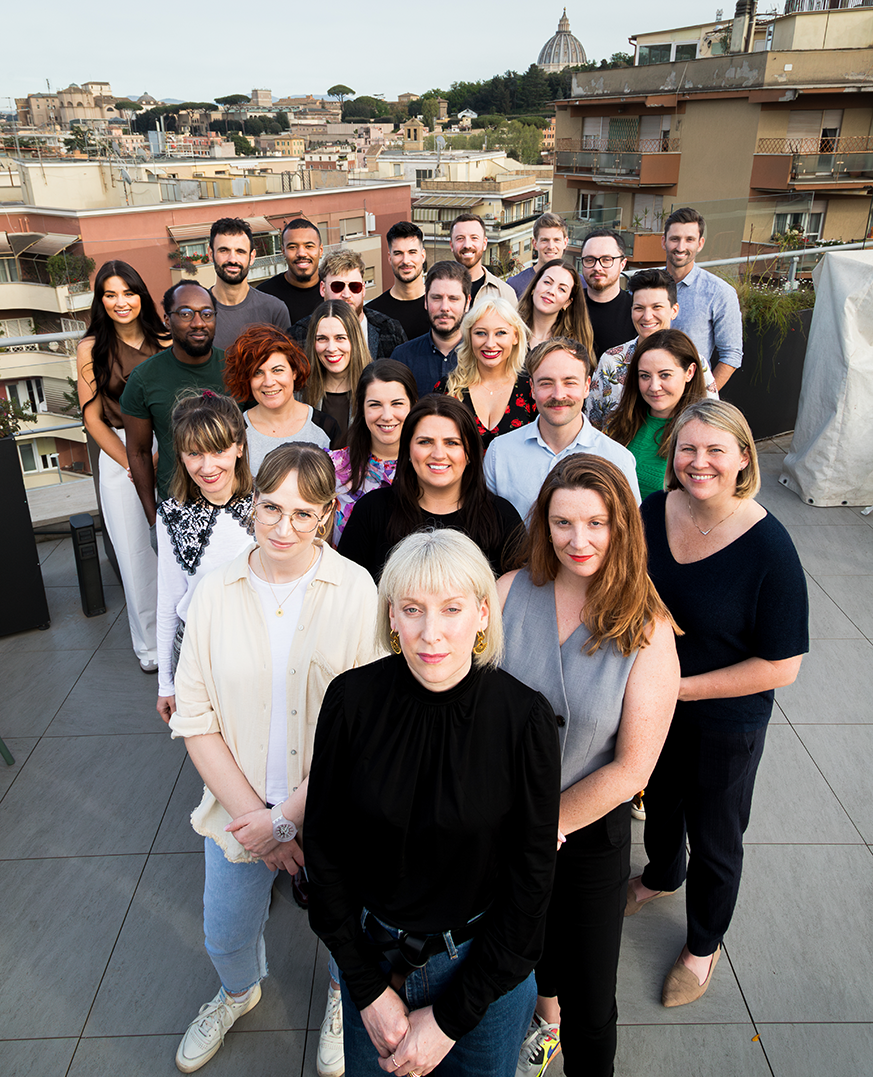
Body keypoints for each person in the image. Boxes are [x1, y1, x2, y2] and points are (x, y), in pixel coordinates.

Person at [306, 528, 562, 1077]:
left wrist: (449, 1019)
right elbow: (325, 853)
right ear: (392, 617)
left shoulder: (524, 720)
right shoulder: (350, 702)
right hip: (373, 962)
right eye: (413, 609)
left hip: (484, 971)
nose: (431, 633)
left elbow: (531, 886)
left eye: (451, 609)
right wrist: (367, 988)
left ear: (482, 616)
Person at [169, 443, 380, 1074]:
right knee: (225, 932)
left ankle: (347, 998)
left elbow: (364, 726)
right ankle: (238, 992)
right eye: (269, 508)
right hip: (237, 815)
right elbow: (196, 717)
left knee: (350, 931)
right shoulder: (214, 589)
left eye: (302, 513)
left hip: (335, 809)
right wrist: (259, 824)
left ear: (327, 516)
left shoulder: (356, 589)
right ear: (251, 501)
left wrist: (287, 817)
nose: (282, 528)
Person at [497, 454, 679, 1077]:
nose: (579, 541)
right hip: (500, 821)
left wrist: (542, 828)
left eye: (597, 523)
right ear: (543, 525)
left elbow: (631, 769)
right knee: (524, 953)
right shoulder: (506, 592)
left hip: (587, 834)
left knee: (593, 996)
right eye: (563, 523)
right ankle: (543, 1021)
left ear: (621, 525)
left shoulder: (647, 629)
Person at [628, 401, 808, 1008]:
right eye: (687, 449)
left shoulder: (770, 548)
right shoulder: (654, 510)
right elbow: (633, 586)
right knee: (659, 800)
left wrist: (679, 688)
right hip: (656, 701)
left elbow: (782, 665)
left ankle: (702, 945)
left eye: (714, 451)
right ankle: (661, 875)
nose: (698, 462)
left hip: (723, 717)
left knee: (715, 832)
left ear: (742, 460)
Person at [76, 259, 170, 672]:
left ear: (141, 295)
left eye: (128, 292)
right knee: (134, 555)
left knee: (173, 548)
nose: (120, 302)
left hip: (169, 451)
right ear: (100, 300)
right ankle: (150, 647)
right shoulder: (89, 348)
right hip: (119, 458)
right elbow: (92, 418)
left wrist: (154, 454)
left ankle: (184, 634)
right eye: (109, 294)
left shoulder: (166, 339)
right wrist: (131, 462)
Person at [338, 395, 524, 581]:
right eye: (425, 442)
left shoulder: (501, 517)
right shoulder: (371, 510)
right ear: (408, 450)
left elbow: (521, 597)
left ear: (469, 454)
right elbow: (347, 592)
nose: (438, 454)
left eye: (452, 443)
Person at [155, 391, 254, 725]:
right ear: (181, 456)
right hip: (197, 652)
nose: (207, 466)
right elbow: (169, 602)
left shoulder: (270, 505)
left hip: (261, 649)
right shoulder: (171, 515)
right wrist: (164, 683)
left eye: (218, 450)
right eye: (194, 453)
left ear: (240, 447)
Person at [484, 338, 641, 522]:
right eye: (546, 383)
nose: (558, 395)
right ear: (533, 389)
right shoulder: (500, 453)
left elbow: (630, 536)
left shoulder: (617, 460)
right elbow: (488, 530)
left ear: (586, 386)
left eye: (569, 382)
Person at [120, 281, 227, 533]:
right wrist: (153, 520)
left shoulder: (236, 368)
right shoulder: (144, 379)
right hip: (177, 506)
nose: (198, 323)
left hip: (236, 505)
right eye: (186, 313)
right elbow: (138, 453)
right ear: (167, 320)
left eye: (207, 313)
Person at [587, 268, 718, 431]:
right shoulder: (611, 361)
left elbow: (712, 424)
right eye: (639, 308)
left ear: (674, 310)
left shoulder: (694, 362)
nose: (647, 316)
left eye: (657, 307)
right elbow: (592, 425)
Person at [223, 323, 339, 472]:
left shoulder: (326, 427)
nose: (269, 382)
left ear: (294, 372)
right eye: (257, 373)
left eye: (277, 370)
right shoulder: (235, 431)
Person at [606, 329, 707, 500]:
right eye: (645, 376)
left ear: (689, 372)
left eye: (665, 375)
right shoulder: (621, 421)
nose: (654, 386)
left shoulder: (704, 432)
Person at [329, 359, 418, 543]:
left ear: (413, 405)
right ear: (361, 408)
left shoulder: (431, 466)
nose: (386, 416)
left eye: (397, 404)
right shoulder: (334, 468)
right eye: (375, 404)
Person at [435, 297, 535, 452]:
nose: (490, 343)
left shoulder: (532, 389)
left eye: (500, 333)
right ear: (469, 337)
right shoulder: (447, 388)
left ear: (515, 337)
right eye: (480, 333)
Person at [661, 207, 743, 390]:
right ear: (664, 241)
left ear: (700, 243)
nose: (681, 247)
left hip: (690, 395)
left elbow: (732, 354)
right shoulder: (649, 285)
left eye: (689, 239)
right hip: (646, 391)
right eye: (675, 239)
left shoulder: (720, 292)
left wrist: (704, 396)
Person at [291, 249, 406, 360]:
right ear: (322, 289)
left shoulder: (390, 330)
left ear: (363, 289)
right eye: (337, 286)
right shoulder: (299, 335)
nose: (346, 294)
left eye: (354, 287)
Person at [208, 217, 291, 351]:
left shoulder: (274, 310)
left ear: (252, 257)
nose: (232, 259)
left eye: (240, 251)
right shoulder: (197, 312)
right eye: (224, 250)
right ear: (211, 254)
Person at [391, 262, 471, 397]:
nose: (444, 307)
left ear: (467, 303)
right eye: (436, 298)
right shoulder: (402, 358)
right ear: (426, 302)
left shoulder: (480, 356)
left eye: (453, 299)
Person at [301, 300, 372, 449]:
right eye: (322, 339)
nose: (331, 348)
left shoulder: (375, 387)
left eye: (340, 338)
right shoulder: (300, 392)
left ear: (354, 340)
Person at [365, 222, 430, 340]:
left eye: (412, 252)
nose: (405, 260)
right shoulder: (373, 313)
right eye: (398, 253)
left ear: (423, 256)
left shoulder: (440, 308)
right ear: (389, 258)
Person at [517, 259, 594, 356]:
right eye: (547, 282)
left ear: (567, 303)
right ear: (534, 286)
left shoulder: (572, 348)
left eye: (562, 289)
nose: (551, 291)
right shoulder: (510, 330)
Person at [257, 218, 325, 323]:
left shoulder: (336, 290)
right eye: (292, 247)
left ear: (320, 250)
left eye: (309, 246)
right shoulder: (264, 296)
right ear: (283, 251)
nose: (301, 253)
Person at [579, 229, 634, 356]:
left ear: (622, 264)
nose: (597, 267)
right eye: (589, 260)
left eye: (606, 260)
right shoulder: (568, 305)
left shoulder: (636, 311)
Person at [449, 214, 517, 306]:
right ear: (452, 245)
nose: (467, 245)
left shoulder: (505, 294)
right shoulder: (437, 292)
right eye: (460, 238)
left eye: (474, 238)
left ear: (484, 244)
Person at [508, 212, 570, 299]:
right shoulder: (514, 285)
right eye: (545, 240)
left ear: (565, 243)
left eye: (556, 240)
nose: (551, 246)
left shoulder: (580, 284)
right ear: (535, 243)